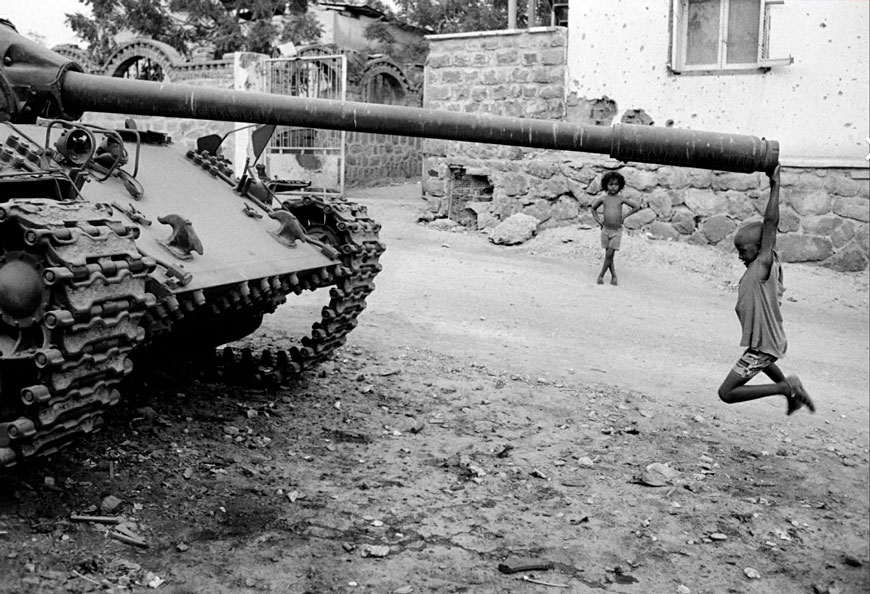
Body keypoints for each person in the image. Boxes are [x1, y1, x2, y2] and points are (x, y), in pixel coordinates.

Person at [717, 164, 815, 416]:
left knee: (726, 393)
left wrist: (775, 184)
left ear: (760, 248)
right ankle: (792, 392)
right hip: (763, 344)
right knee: (762, 358)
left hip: (765, 345)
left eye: (743, 251)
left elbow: (770, 222)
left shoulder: (764, 265)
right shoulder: (756, 268)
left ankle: (785, 388)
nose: (739, 256)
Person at [590, 171, 641, 285]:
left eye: (616, 185)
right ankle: (614, 276)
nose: (613, 187)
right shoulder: (603, 199)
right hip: (605, 230)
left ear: (620, 186)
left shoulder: (621, 199)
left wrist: (624, 217)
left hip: (616, 231)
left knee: (609, 254)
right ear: (606, 185)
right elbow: (593, 208)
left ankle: (601, 275)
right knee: (610, 255)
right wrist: (599, 221)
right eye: (610, 184)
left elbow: (636, 207)